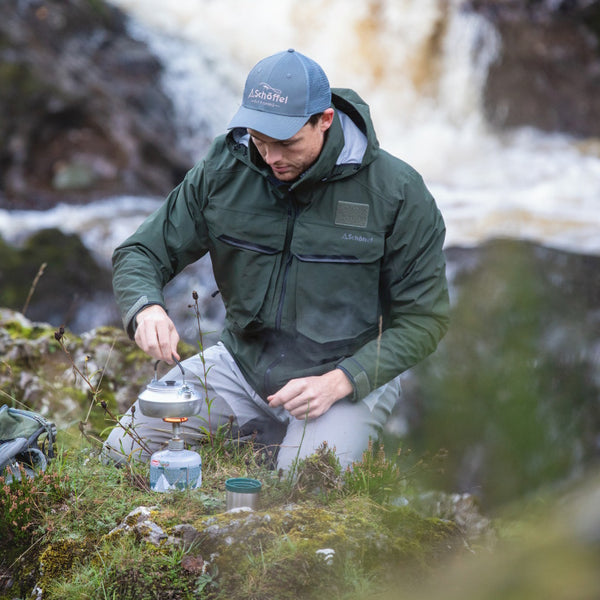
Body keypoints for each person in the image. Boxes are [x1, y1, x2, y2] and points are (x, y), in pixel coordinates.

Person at [104, 49, 449, 471]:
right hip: (239, 364)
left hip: (340, 378)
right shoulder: (223, 169)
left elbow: (424, 320)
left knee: (303, 491)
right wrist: (146, 307)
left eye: (286, 143)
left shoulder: (397, 192)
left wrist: (343, 380)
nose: (270, 157)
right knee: (122, 454)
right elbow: (142, 250)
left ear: (324, 120)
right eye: (260, 140)